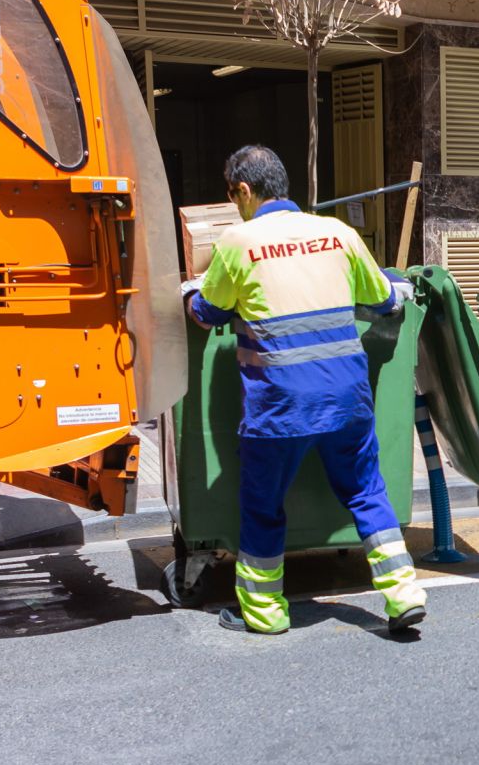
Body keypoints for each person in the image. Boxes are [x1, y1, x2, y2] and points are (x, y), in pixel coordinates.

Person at [181, 144, 428, 637]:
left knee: (263, 505)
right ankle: (404, 596)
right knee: (367, 492)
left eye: (234, 196)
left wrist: (192, 291)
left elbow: (205, 315)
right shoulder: (338, 232)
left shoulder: (237, 242)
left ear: (245, 191)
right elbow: (382, 300)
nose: (235, 206)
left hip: (279, 409)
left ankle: (266, 613)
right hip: (346, 400)